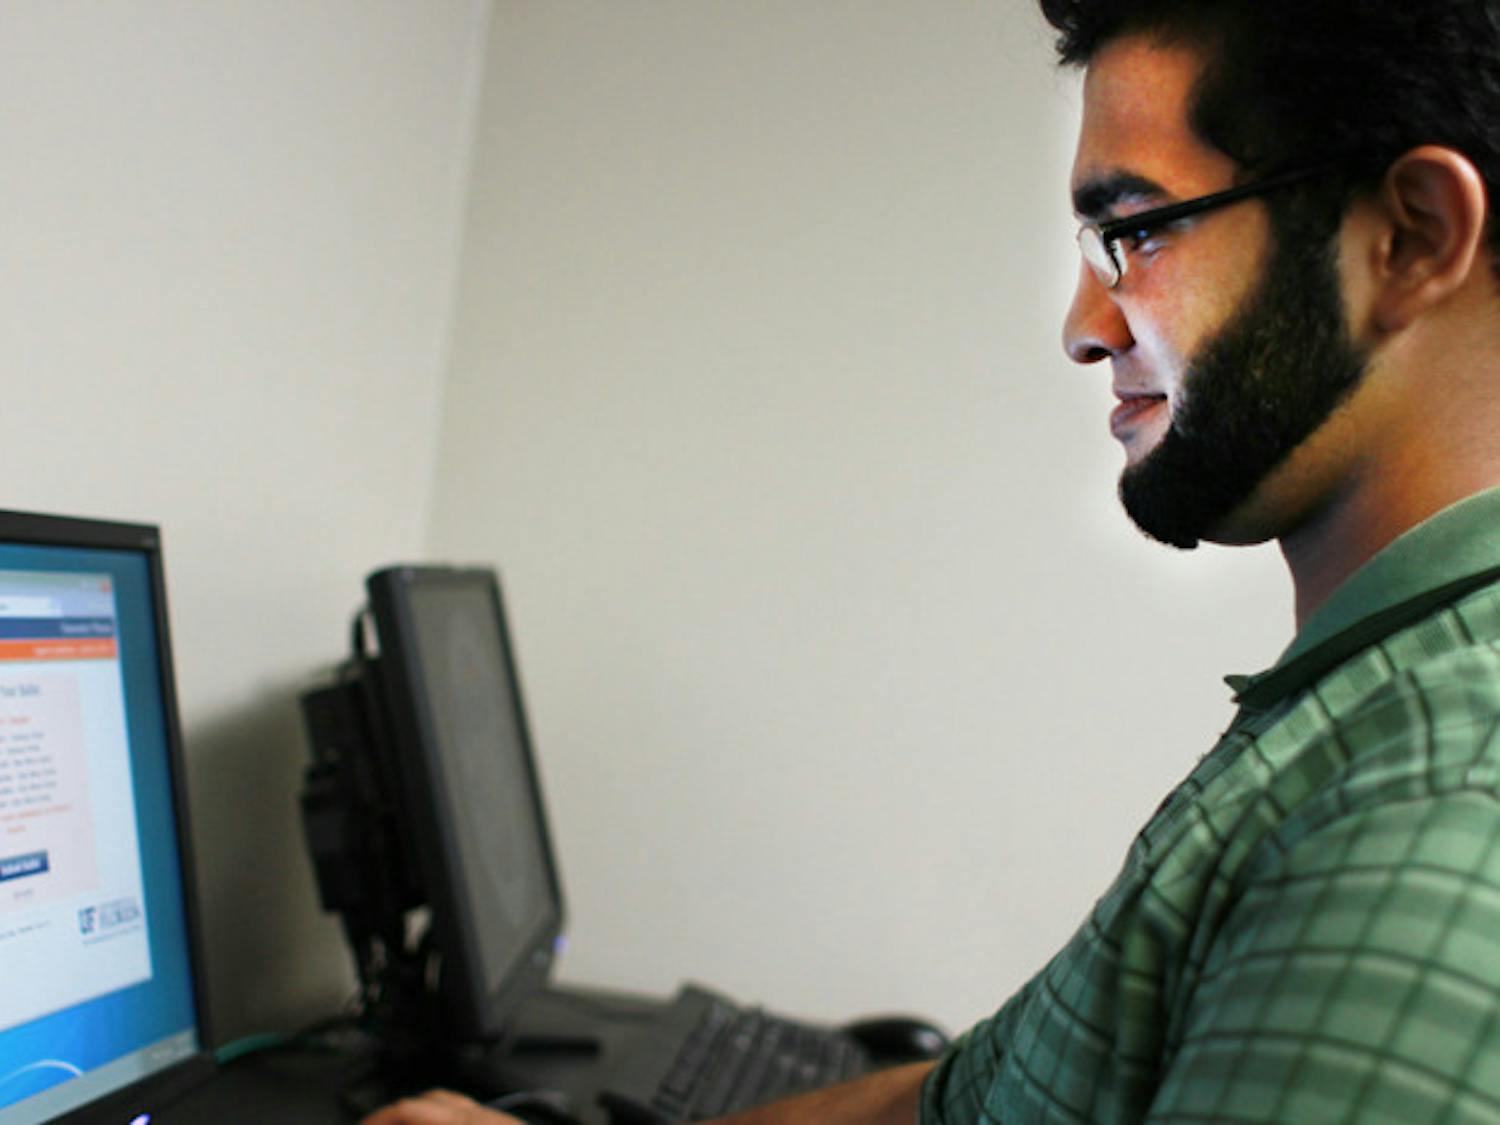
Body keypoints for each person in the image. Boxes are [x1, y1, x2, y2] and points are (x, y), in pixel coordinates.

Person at [365, 0, 1500, 1120]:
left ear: (1411, 238)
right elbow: (957, 1101)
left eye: (1140, 229)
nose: (1083, 325)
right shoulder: (1348, 714)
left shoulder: (1438, 805)